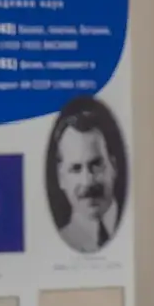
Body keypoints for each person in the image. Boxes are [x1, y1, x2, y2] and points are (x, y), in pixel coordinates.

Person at [47, 98, 125, 253]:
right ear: (61, 178)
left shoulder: (137, 223)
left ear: (114, 166)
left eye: (96, 165)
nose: (87, 182)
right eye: (76, 169)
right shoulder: (55, 243)